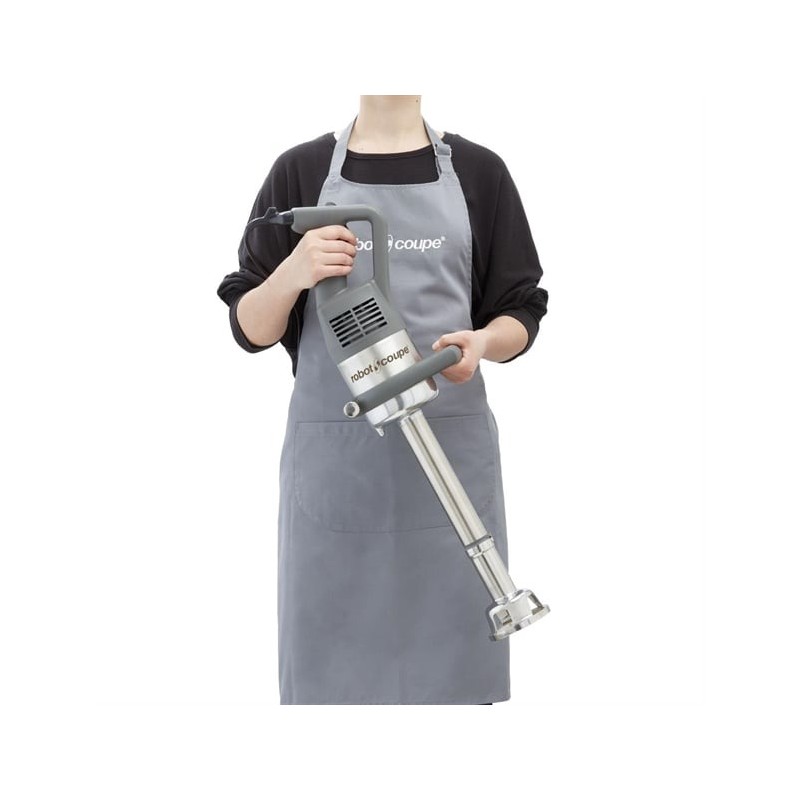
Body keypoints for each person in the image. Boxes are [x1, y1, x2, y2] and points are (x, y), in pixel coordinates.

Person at [216, 95, 548, 704]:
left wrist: (481, 342)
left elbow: (522, 309)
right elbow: (250, 329)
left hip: (451, 465)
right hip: (340, 473)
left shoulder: (481, 171)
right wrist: (293, 271)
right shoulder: (299, 171)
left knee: (456, 685)